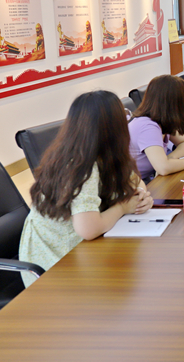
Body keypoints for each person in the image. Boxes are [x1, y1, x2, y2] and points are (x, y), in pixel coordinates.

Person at [19, 91, 153, 287]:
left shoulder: (105, 153)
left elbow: (136, 184)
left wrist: (141, 198)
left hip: (86, 248)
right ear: (112, 127)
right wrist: (124, 207)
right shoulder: (79, 164)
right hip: (55, 262)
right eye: (124, 116)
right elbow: (88, 229)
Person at [128, 75, 184, 182]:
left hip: (143, 181)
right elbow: (163, 168)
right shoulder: (148, 127)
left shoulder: (163, 120)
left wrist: (170, 159)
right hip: (127, 186)